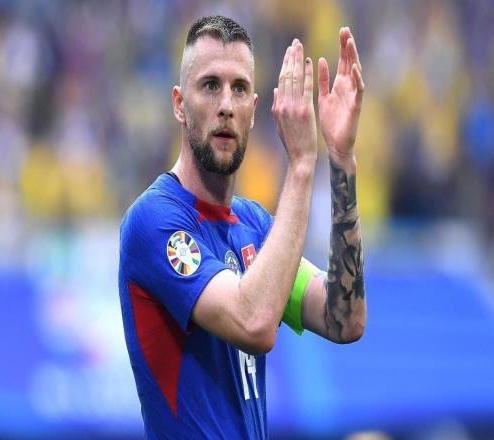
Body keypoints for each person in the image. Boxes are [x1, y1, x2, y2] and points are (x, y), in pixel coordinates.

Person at [119, 15, 366, 439]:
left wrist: (341, 159)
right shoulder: (154, 220)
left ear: (253, 111)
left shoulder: (255, 225)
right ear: (179, 104)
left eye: (239, 88)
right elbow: (254, 322)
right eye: (210, 85)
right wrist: (301, 165)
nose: (226, 105)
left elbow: (345, 320)